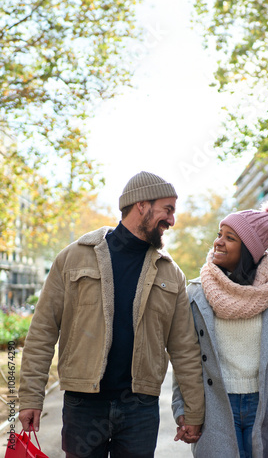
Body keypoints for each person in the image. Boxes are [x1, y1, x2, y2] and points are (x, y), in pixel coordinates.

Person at [19, 171, 205, 458]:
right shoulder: (73, 257)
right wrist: (31, 396)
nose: (172, 220)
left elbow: (185, 348)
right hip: (84, 405)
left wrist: (193, 410)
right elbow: (43, 331)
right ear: (141, 205)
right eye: (167, 210)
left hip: (140, 409)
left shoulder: (171, 273)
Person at [172, 199, 268, 458]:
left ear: (250, 250)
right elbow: (186, 356)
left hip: (267, 403)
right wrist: (183, 408)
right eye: (219, 235)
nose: (218, 242)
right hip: (215, 405)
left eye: (230, 238)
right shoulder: (197, 293)